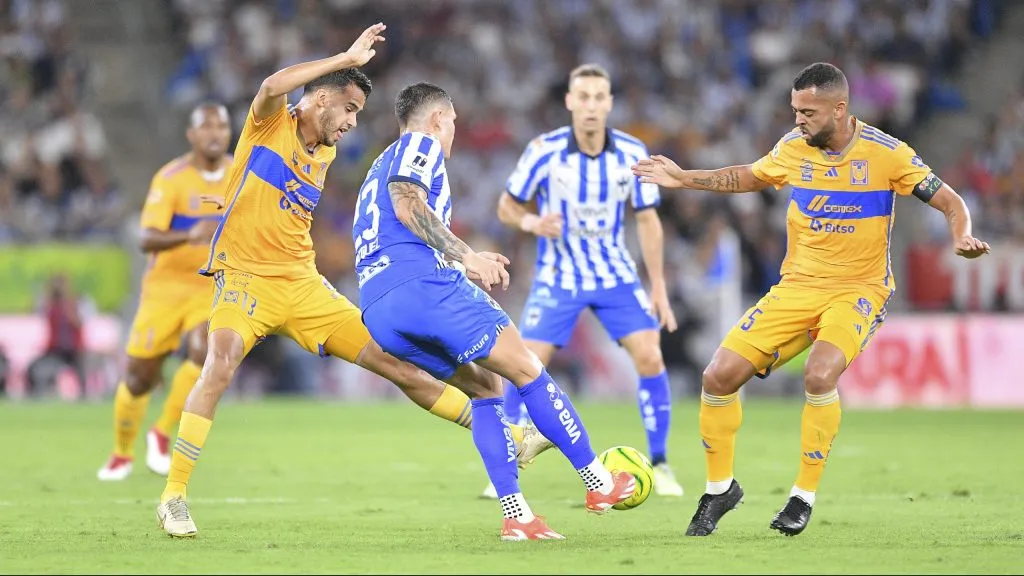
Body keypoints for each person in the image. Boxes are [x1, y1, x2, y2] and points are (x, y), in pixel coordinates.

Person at [155, 24, 548, 538]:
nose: (352, 123)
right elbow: (272, 85)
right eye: (349, 109)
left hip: (302, 285)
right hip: (245, 280)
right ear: (320, 99)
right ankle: (174, 496)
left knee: (396, 363)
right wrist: (344, 57)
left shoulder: (326, 151)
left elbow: (278, 199)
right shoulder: (270, 122)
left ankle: (510, 435)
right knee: (220, 363)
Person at [632, 62, 991, 537]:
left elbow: (950, 201)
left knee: (819, 373)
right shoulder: (792, 148)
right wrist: (683, 178)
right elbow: (749, 176)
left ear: (839, 109)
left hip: (858, 290)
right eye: (795, 110)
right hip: (797, 287)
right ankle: (720, 490)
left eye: (808, 112)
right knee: (717, 376)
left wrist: (961, 236)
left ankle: (802, 496)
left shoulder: (888, 154)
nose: (798, 120)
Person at [354, 81, 636, 541]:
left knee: (486, 388)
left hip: (379, 308)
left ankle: (516, 515)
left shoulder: (379, 163)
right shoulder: (420, 144)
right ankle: (599, 484)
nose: (452, 132)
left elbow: (391, 231)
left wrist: (452, 261)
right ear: (438, 119)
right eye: (452, 123)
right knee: (527, 368)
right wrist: (467, 257)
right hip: (422, 287)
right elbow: (407, 206)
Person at [490, 63, 683, 499]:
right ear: (570, 102)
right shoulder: (544, 150)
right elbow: (506, 206)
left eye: (599, 97)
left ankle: (661, 463)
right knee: (521, 362)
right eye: (583, 97)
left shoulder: (632, 151)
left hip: (615, 275)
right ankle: (507, 460)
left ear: (609, 103)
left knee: (650, 356)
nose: (591, 105)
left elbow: (647, 219)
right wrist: (533, 222)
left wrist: (657, 285)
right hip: (559, 276)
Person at [96, 102, 232, 481]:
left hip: (210, 285)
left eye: (221, 126)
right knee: (139, 378)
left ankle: (161, 430)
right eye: (207, 127)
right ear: (192, 134)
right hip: (165, 289)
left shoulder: (239, 174)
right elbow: (146, 238)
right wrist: (190, 234)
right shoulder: (171, 178)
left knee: (206, 352)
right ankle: (122, 453)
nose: (215, 134)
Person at [27, 273, 89, 397]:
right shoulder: (51, 305)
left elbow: (79, 323)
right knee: (33, 368)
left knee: (82, 369)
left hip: (74, 349)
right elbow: (37, 311)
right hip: (55, 349)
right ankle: (38, 394)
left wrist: (66, 306)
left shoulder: (76, 302)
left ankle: (84, 395)